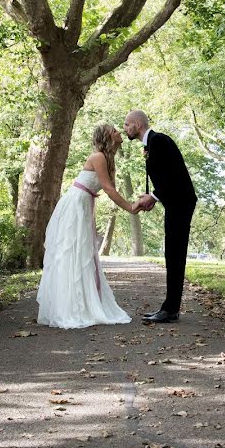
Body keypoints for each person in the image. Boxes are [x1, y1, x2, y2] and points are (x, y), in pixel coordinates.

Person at [36, 124, 138, 329]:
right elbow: (108, 189)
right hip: (74, 205)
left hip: (84, 204)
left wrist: (137, 202)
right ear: (107, 137)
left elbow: (112, 188)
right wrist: (131, 207)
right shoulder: (99, 157)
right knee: (73, 252)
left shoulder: (109, 159)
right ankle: (69, 307)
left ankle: (83, 302)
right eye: (115, 131)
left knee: (84, 253)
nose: (119, 133)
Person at [124, 110, 197, 324]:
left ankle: (171, 309)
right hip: (175, 202)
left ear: (137, 124)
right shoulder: (151, 144)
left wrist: (154, 196)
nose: (125, 128)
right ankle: (170, 308)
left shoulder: (160, 141)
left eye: (127, 124)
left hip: (181, 202)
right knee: (172, 253)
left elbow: (175, 174)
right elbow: (166, 176)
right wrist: (153, 196)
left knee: (175, 253)